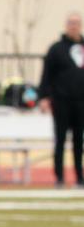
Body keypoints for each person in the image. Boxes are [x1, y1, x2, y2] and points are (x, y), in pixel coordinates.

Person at [38, 11, 84, 189]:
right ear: (66, 25)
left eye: (76, 23)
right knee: (60, 140)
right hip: (61, 101)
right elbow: (46, 75)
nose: (73, 26)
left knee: (79, 142)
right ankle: (59, 177)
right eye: (70, 23)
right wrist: (44, 97)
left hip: (81, 102)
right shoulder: (56, 49)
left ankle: (80, 177)